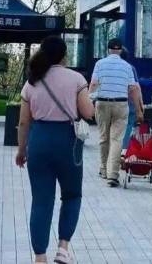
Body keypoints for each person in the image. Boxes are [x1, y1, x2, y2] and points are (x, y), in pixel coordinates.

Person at [16, 35, 95, 264]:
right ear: (64, 55)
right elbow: (88, 113)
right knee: (72, 195)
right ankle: (63, 248)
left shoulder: (32, 82)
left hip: (39, 141)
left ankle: (40, 257)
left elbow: (24, 122)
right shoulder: (76, 79)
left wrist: (22, 150)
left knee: (41, 200)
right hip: (67, 143)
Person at [90, 38, 143, 187]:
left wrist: (89, 103)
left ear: (108, 50)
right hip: (121, 104)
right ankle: (113, 175)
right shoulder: (127, 66)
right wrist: (139, 110)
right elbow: (133, 89)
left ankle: (103, 169)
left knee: (103, 138)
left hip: (102, 103)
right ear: (120, 50)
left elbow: (93, 84)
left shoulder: (99, 64)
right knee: (116, 139)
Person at [119, 47, 145, 151]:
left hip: (113, 103)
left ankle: (114, 150)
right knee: (128, 126)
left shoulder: (109, 68)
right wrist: (141, 105)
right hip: (129, 103)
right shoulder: (130, 68)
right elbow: (136, 87)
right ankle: (123, 150)